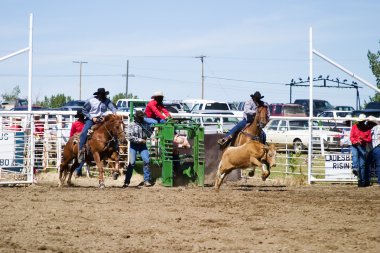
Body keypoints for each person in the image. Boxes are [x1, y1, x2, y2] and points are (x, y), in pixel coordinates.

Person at [78, 88, 117, 162]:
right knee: (84, 132)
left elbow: (112, 107)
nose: (103, 97)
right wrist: (92, 118)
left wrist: (114, 112)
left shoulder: (107, 101)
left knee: (113, 130)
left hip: (102, 119)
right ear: (98, 95)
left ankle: (115, 147)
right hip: (91, 119)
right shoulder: (91, 101)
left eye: (104, 95)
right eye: (101, 95)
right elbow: (84, 110)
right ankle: (81, 150)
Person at [123, 110, 153, 188]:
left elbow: (150, 134)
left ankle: (146, 180)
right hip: (134, 145)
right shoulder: (131, 125)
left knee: (146, 160)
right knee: (132, 163)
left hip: (143, 145)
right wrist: (140, 140)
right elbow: (129, 137)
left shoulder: (145, 124)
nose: (142, 119)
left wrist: (151, 133)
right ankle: (127, 181)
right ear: (137, 117)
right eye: (140, 117)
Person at [350, 114, 372, 187]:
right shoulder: (354, 127)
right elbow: (351, 137)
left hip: (362, 146)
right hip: (355, 145)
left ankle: (361, 181)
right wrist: (355, 141)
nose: (360, 122)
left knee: (362, 165)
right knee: (356, 158)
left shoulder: (367, 129)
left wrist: (363, 139)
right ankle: (357, 173)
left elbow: (369, 139)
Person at [365, 116, 380, 187]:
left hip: (374, 148)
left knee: (367, 164)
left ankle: (366, 180)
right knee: (378, 165)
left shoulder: (373, 128)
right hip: (374, 148)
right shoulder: (373, 128)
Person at [70, 111, 85, 177]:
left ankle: (78, 171)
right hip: (77, 139)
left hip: (83, 139)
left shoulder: (84, 123)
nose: (81, 117)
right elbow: (72, 133)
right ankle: (78, 171)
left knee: (82, 157)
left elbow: (71, 133)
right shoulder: (76, 124)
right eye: (81, 116)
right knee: (81, 156)